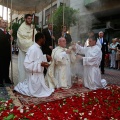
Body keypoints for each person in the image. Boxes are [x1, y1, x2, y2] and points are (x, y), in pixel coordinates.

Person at [14, 33, 54, 97]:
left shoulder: (38, 48)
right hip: (34, 76)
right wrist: (40, 64)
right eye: (44, 39)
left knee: (45, 91)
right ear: (40, 39)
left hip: (39, 76)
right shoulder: (32, 49)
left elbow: (37, 59)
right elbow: (26, 65)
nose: (45, 40)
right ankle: (20, 87)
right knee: (36, 93)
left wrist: (45, 56)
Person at [17, 14, 37, 82]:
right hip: (24, 51)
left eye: (31, 19)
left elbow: (35, 37)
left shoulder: (33, 27)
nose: (30, 20)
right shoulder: (21, 28)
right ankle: (22, 82)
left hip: (32, 51)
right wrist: (31, 43)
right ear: (25, 19)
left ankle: (31, 82)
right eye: (28, 18)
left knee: (32, 67)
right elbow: (21, 40)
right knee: (24, 67)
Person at [0, 19, 13, 87]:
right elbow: (2, 39)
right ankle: (0, 81)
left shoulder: (7, 32)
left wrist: (11, 39)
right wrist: (9, 34)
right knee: (1, 67)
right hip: (1, 53)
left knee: (7, 66)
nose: (5, 24)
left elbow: (9, 42)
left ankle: (7, 78)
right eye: (3, 22)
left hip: (7, 53)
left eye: (6, 22)